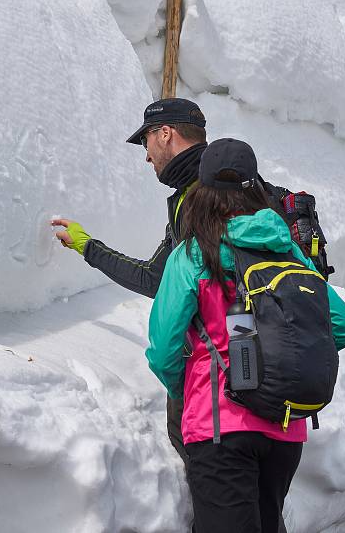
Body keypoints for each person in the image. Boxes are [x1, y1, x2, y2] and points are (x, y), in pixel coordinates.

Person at [144, 138, 345, 533]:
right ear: (255, 189)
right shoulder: (289, 253)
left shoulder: (194, 255)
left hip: (219, 426)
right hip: (284, 427)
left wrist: (185, 389)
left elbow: (163, 348)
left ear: (202, 190)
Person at [51, 97, 209, 466]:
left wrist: (176, 381)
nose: (146, 156)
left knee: (222, 503)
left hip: (211, 380)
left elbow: (156, 282)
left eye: (146, 141)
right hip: (271, 383)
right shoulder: (245, 189)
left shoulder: (197, 199)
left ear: (166, 133)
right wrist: (88, 245)